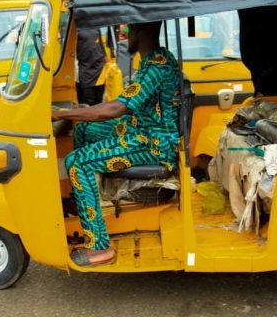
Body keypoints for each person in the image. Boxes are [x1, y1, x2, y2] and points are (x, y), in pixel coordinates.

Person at [52, 21, 181, 266]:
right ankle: (85, 200)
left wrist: (61, 115)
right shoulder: (155, 59)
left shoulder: (156, 68)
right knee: (85, 129)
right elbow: (124, 105)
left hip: (153, 144)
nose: (125, 35)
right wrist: (86, 112)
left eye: (129, 30)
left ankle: (99, 247)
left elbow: (116, 108)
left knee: (77, 163)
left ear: (141, 31)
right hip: (141, 129)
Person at [75, 28, 108, 106]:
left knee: (98, 96)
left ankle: (97, 115)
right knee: (87, 97)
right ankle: (87, 116)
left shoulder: (96, 27)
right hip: (84, 65)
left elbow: (100, 43)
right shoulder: (77, 28)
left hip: (98, 64)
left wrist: (106, 58)